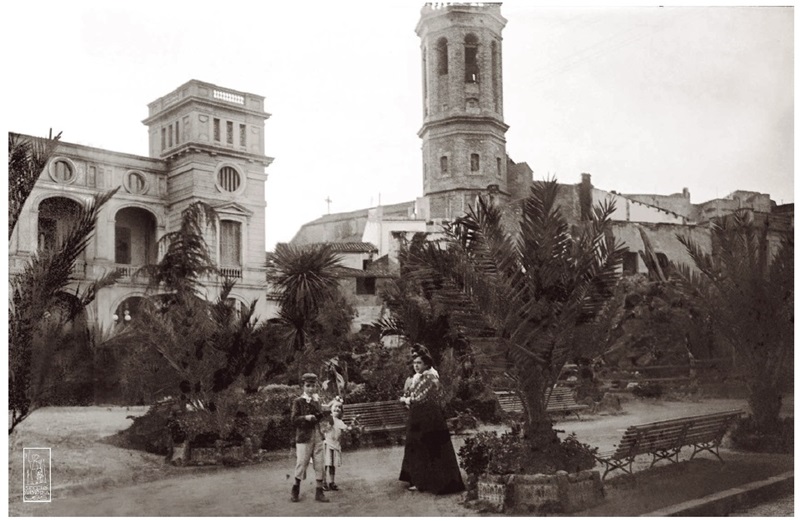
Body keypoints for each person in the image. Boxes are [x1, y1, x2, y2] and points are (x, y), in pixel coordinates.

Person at [398, 350, 465, 495]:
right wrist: (407, 398)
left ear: (427, 364)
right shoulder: (418, 377)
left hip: (429, 418)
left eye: (419, 363)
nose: (416, 366)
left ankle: (431, 482)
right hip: (418, 416)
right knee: (418, 447)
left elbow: (419, 397)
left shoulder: (430, 377)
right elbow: (410, 393)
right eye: (414, 363)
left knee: (428, 447)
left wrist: (406, 400)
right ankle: (420, 480)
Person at [290, 373, 331, 503]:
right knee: (302, 463)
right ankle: (295, 489)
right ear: (303, 386)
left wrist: (323, 413)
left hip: (317, 434)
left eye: (313, 386)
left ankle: (319, 491)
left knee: (320, 462)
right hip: (304, 436)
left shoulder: (316, 400)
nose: (311, 389)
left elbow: (319, 417)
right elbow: (293, 419)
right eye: (308, 386)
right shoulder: (298, 401)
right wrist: (305, 418)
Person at [321, 399, 353, 491]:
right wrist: (328, 426)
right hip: (327, 444)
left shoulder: (340, 421)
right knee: (326, 464)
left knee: (332, 464)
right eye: (335, 406)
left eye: (339, 407)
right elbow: (323, 430)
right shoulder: (328, 419)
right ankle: (323, 482)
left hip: (334, 445)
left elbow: (346, 429)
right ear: (331, 408)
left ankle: (332, 482)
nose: (337, 408)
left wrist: (351, 428)